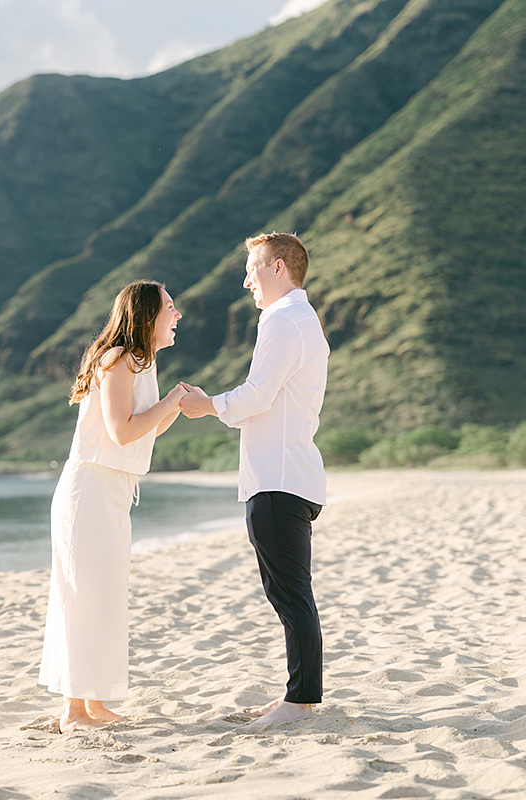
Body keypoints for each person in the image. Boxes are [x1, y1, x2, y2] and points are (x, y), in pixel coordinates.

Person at [179, 231, 329, 727]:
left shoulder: (283, 320)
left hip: (278, 479)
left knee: (290, 595)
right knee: (290, 594)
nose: (247, 282)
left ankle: (300, 701)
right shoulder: (302, 320)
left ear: (279, 267)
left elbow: (257, 395)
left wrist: (207, 405)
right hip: (289, 474)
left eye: (252, 270)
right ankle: (299, 695)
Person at [39, 279, 188, 733]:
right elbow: (122, 432)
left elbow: (142, 431)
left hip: (113, 490)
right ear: (147, 315)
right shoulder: (119, 359)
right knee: (84, 598)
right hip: (90, 490)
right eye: (169, 307)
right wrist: (169, 402)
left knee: (103, 598)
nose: (177, 314)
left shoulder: (142, 363)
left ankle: (94, 703)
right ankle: (74, 710)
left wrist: (172, 406)